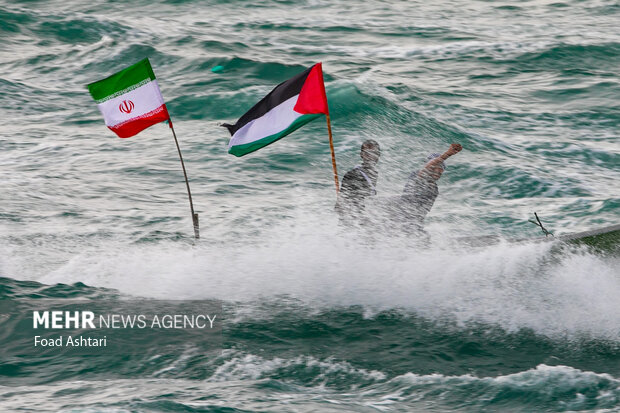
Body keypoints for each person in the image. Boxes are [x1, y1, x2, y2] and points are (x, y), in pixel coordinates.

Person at [398, 143, 462, 234]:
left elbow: (421, 214)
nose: (438, 171)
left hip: (414, 223)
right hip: (400, 220)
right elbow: (427, 169)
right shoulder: (417, 176)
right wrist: (447, 155)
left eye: (441, 169)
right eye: (435, 167)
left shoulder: (434, 189)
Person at [336, 139, 381, 226]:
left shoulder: (375, 174)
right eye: (367, 153)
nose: (370, 157)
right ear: (361, 155)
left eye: (374, 153)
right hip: (353, 222)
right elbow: (339, 206)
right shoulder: (352, 174)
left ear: (378, 155)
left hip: (366, 218)